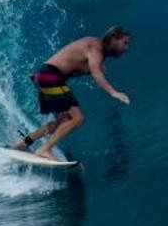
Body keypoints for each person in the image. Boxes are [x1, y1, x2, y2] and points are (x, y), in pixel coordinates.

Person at [12, 26, 133, 160]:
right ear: (113, 38)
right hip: (50, 76)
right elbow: (96, 73)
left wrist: (86, 71)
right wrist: (113, 92)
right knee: (78, 118)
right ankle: (44, 150)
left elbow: (71, 69)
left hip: (45, 76)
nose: (126, 48)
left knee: (62, 122)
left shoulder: (94, 48)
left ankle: (23, 144)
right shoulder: (96, 47)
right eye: (125, 43)